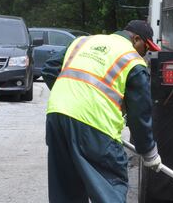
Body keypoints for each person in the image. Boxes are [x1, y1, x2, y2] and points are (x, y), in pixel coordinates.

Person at [43, 20, 162, 202]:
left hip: (57, 116)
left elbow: (50, 68)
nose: (145, 54)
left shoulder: (83, 41)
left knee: (66, 189)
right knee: (110, 184)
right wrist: (149, 151)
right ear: (136, 39)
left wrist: (74, 96)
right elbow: (140, 115)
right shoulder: (132, 60)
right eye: (146, 48)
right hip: (94, 125)